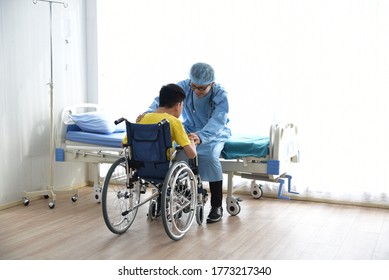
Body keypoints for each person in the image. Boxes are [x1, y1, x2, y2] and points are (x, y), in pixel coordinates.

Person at [139, 62, 231, 223]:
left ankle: (217, 205)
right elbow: (163, 101)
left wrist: (201, 136)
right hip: (188, 128)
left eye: (201, 88)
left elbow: (219, 120)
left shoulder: (220, 94)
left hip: (214, 133)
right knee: (173, 154)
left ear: (212, 84)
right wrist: (148, 114)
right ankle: (183, 197)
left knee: (209, 157)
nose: (196, 91)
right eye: (194, 86)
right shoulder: (184, 86)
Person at [123, 83, 197, 159]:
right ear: (178, 106)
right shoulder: (173, 122)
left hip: (141, 166)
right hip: (164, 167)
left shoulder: (142, 118)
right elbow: (191, 154)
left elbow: (124, 143)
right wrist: (191, 140)